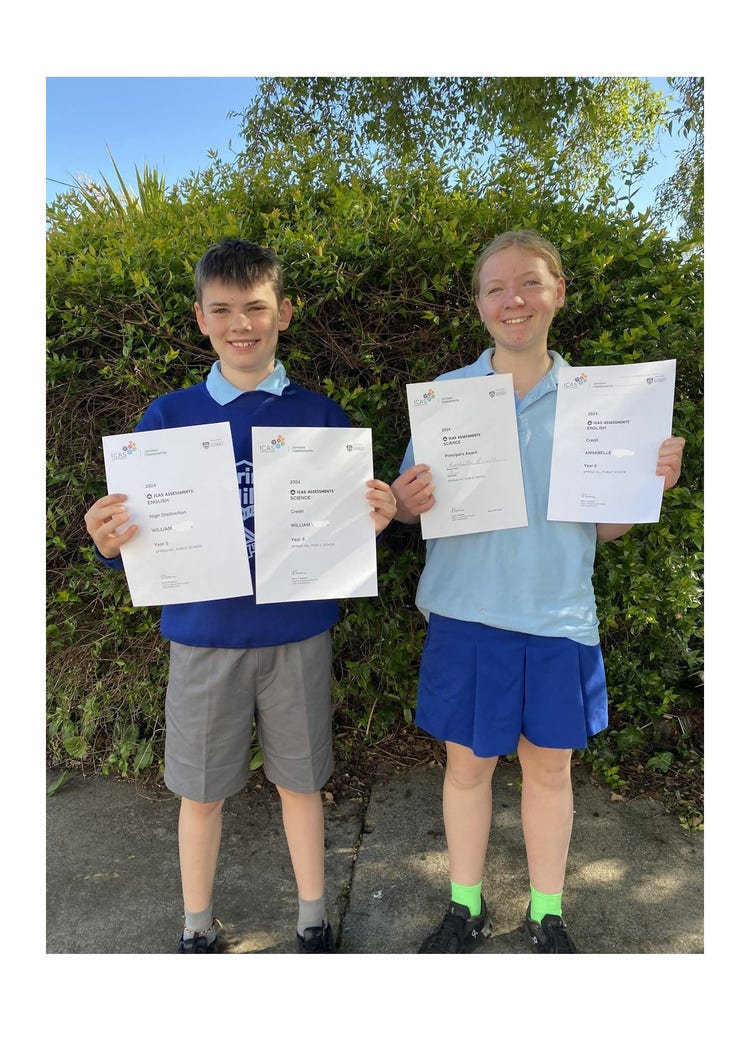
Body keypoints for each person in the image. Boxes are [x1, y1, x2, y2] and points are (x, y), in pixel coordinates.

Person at [84, 238, 397, 954]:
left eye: (255, 307)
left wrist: (372, 522)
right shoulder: (167, 419)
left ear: (284, 312)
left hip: (296, 636)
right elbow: (137, 542)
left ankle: (313, 917)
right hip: (203, 637)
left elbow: (344, 535)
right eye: (222, 309)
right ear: (200, 318)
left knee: (302, 782)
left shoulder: (321, 416)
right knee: (200, 791)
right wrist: (108, 545)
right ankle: (197, 925)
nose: (241, 323)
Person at [391, 229, 685, 954]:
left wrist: (653, 484)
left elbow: (602, 529)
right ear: (479, 305)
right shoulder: (447, 398)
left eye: (528, 283)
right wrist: (401, 500)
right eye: (495, 287)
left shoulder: (600, 403)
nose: (512, 299)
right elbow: (408, 508)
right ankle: (465, 904)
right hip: (465, 611)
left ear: (558, 294)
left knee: (550, 770)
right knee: (467, 768)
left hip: (557, 615)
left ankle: (547, 911)